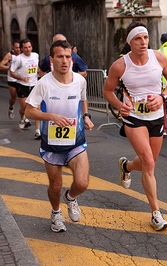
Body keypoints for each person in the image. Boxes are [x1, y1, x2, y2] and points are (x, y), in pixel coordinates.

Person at [103, 21, 167, 231]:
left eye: (145, 37)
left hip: (156, 117)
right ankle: (156, 213)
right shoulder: (120, 65)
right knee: (149, 163)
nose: (143, 42)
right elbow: (107, 91)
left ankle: (126, 166)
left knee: (149, 162)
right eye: (138, 38)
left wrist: (162, 97)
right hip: (134, 118)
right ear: (130, 42)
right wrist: (119, 105)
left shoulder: (159, 57)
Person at [25, 40, 94, 232]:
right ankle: (56, 213)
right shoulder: (44, 84)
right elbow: (29, 112)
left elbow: (83, 99)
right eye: (60, 57)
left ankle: (71, 197)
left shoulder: (80, 81)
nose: (64, 61)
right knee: (55, 186)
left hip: (76, 141)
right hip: (52, 144)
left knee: (82, 183)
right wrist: (51, 116)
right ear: (51, 59)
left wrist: (86, 116)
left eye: (68, 57)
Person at [9, 39, 39, 133]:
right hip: (22, 86)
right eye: (25, 47)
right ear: (22, 49)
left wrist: (37, 72)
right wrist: (22, 78)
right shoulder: (18, 59)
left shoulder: (35, 55)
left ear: (32, 47)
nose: (28, 49)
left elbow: (37, 67)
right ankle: (22, 118)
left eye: (29, 47)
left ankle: (38, 131)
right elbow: (11, 73)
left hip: (34, 85)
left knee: (37, 108)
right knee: (24, 108)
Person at [0, 40, 21, 119]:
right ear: (13, 47)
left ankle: (24, 117)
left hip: (21, 79)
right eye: (16, 48)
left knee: (23, 98)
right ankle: (11, 107)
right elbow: (1, 65)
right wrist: (10, 68)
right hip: (12, 79)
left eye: (19, 47)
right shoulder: (9, 55)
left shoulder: (23, 55)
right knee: (13, 98)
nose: (18, 49)